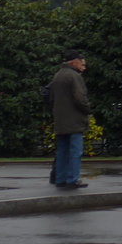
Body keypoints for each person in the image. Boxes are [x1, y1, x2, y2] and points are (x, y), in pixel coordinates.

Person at [49, 50, 90, 189]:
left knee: (62, 151)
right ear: (74, 62)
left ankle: (61, 178)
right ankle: (73, 179)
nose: (83, 67)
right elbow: (80, 98)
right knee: (75, 151)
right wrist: (87, 110)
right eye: (82, 63)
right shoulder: (74, 76)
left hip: (60, 120)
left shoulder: (58, 75)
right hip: (74, 120)